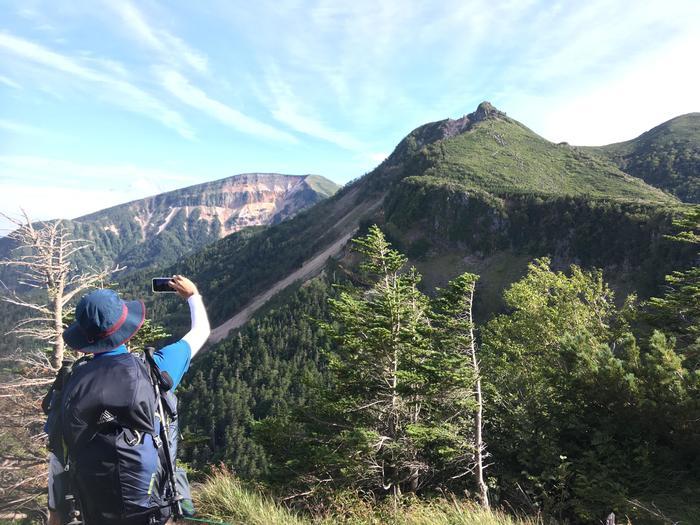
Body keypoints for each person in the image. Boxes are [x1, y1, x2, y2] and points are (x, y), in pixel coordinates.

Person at [46, 275, 210, 525]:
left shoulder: (69, 385)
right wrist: (193, 296)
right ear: (126, 329)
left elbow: (58, 456)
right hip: (154, 513)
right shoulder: (155, 368)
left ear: (83, 339)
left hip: (96, 515)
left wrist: (56, 515)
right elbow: (201, 332)